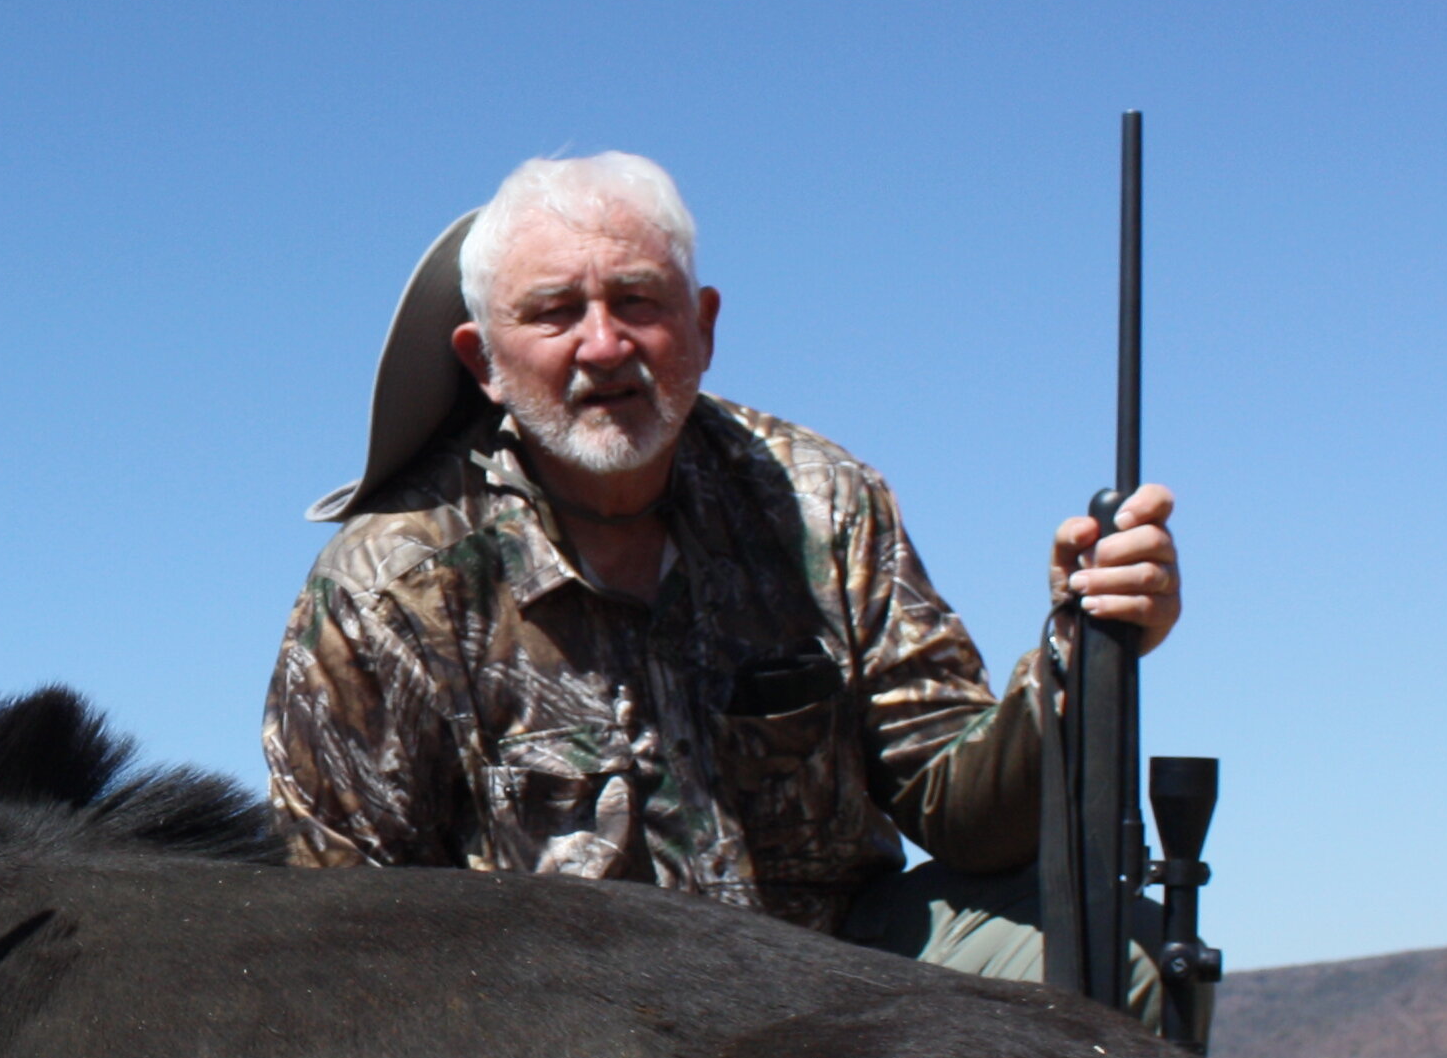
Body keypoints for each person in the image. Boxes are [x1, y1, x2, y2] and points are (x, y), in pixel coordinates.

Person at [261, 151, 1179, 1001]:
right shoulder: (388, 590)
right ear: (483, 363)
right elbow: (343, 941)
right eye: (554, 313)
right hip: (558, 1051)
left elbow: (966, 815)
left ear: (702, 327)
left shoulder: (820, 502)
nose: (605, 344)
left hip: (834, 999)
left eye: (638, 301)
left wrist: (1081, 651)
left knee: (1119, 956)